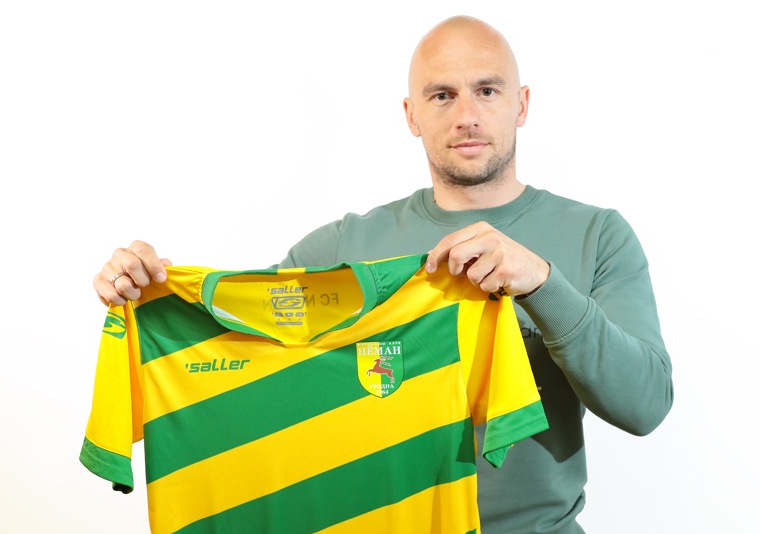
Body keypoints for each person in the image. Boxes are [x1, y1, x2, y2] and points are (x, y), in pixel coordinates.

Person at [92, 16, 673, 534]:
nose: (466, 116)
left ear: (521, 104)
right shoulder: (345, 246)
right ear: (411, 115)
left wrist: (543, 284)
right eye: (442, 95)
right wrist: (149, 290)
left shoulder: (598, 235)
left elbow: (645, 406)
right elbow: (235, 333)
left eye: (487, 90)